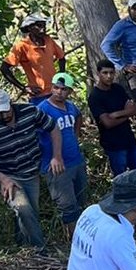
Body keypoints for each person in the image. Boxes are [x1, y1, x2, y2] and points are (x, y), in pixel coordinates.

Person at [0, 89, 62, 252]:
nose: (4, 116)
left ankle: (21, 245)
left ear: (11, 104)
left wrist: (57, 156)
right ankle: (40, 250)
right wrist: (2, 178)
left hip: (31, 171)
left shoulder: (29, 111)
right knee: (24, 209)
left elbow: (53, 127)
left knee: (31, 212)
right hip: (8, 176)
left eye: (6, 111)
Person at [37, 73, 89, 239]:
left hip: (76, 160)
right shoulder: (43, 109)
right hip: (56, 165)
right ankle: (73, 241)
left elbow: (78, 115)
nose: (59, 92)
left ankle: (85, 238)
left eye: (63, 89)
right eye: (56, 88)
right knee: (67, 206)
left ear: (70, 91)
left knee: (81, 200)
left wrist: (76, 134)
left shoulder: (70, 106)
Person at [88, 59, 136, 176]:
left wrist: (116, 114)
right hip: (113, 145)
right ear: (98, 74)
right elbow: (107, 123)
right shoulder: (95, 96)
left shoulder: (118, 89)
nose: (109, 76)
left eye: (111, 73)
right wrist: (127, 113)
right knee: (122, 179)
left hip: (129, 140)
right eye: (105, 73)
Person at [1, 14, 66, 102]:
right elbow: (4, 68)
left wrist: (61, 77)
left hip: (55, 92)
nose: (43, 29)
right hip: (38, 95)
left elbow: (61, 57)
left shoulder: (48, 40)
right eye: (39, 26)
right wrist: (23, 88)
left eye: (44, 25)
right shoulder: (22, 46)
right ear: (29, 28)